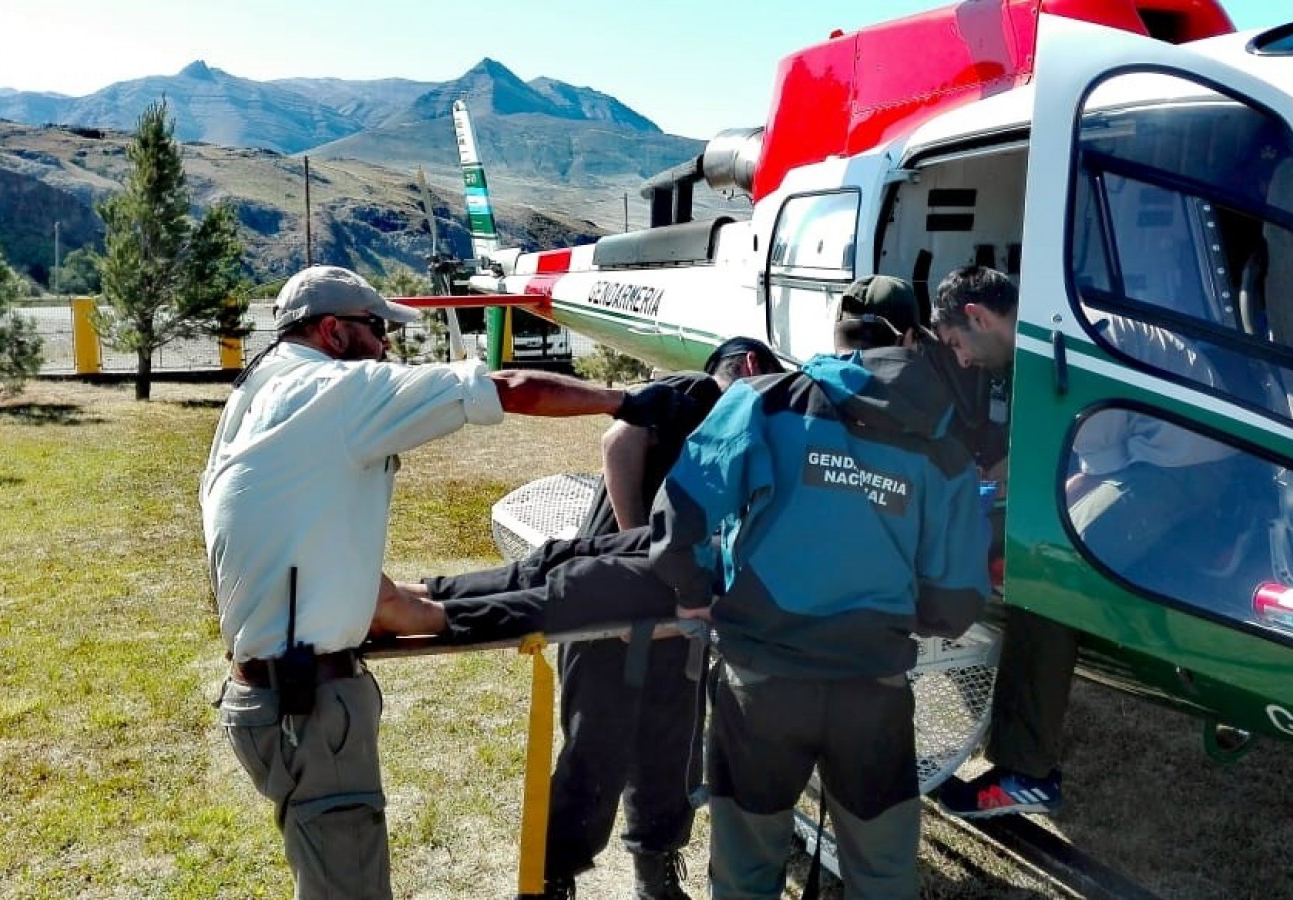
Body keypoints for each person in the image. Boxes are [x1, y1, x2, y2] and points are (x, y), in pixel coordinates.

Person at [202, 264, 689, 899]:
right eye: (377, 332)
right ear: (333, 332)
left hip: (273, 694)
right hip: (307, 706)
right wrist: (622, 401)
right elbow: (506, 386)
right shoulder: (332, 389)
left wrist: (389, 599)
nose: (386, 348)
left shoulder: (254, 395)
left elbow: (284, 527)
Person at [647, 275, 993, 899]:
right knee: (883, 872)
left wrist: (696, 590)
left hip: (761, 684)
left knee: (747, 871)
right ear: (913, 339)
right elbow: (956, 601)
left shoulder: (762, 400)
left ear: (837, 334)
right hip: (874, 693)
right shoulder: (945, 446)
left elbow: (679, 516)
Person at [410, 336, 782, 899]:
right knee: (595, 746)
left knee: (672, 744)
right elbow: (618, 440)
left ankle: (654, 868)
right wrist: (642, 544)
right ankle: (554, 876)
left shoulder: (743, 429)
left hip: (672, 611)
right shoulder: (698, 392)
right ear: (752, 365)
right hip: (606, 603)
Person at [927, 265, 1237, 818]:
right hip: (1152, 459)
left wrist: (1000, 491)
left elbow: (1074, 469)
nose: (961, 359)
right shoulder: (1058, 326)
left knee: (1049, 568)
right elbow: (1079, 466)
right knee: (1035, 530)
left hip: (1185, 467)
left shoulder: (1064, 344)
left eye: (956, 343)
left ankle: (1028, 774)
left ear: (977, 317)